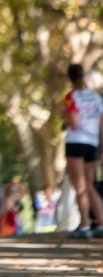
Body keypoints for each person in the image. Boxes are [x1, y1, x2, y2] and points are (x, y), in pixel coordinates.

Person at [62, 63, 103, 239]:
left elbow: (73, 122)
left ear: (70, 78)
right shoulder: (96, 98)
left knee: (79, 187)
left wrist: (63, 115)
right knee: (90, 185)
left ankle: (84, 226)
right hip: (92, 144)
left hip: (75, 142)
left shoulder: (71, 96)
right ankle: (101, 223)